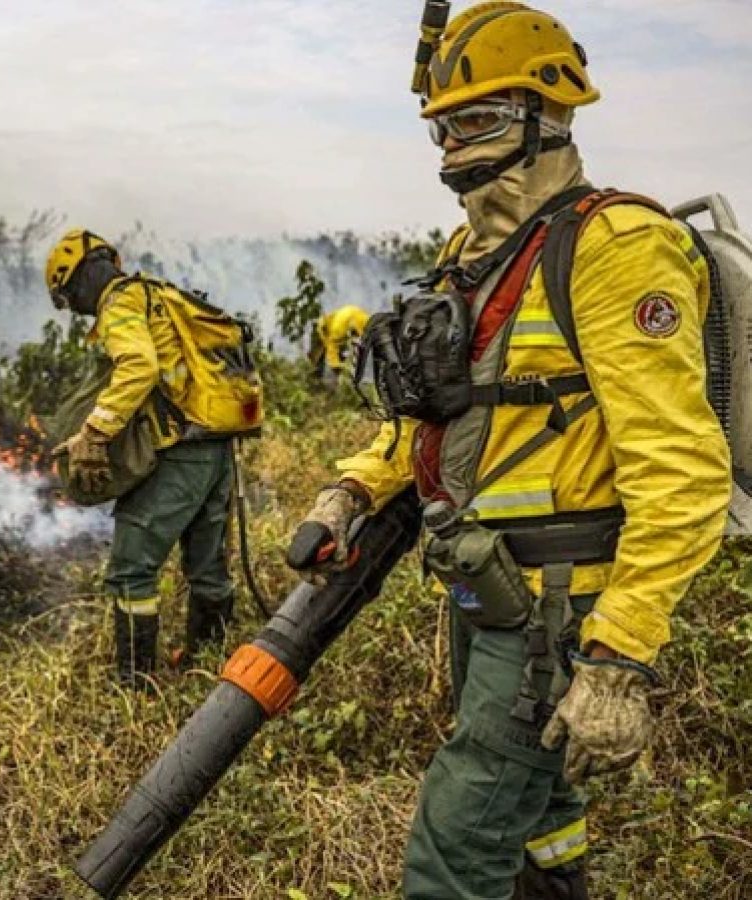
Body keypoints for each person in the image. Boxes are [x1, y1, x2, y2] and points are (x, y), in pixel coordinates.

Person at [288, 3, 731, 898]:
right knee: (542, 815)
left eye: (480, 120)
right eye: (445, 126)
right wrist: (352, 488)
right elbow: (437, 403)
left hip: (561, 611)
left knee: (455, 853)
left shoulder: (617, 247)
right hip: (483, 582)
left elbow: (684, 473)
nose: (455, 148)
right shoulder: (477, 252)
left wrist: (617, 659)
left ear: (548, 114)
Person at [44, 230, 262, 690]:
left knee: (131, 568)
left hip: (179, 451)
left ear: (78, 279)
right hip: (215, 446)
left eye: (69, 298)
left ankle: (134, 684)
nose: (78, 309)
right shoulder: (160, 295)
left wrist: (95, 430)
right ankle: (207, 667)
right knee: (208, 566)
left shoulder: (120, 302)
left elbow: (138, 366)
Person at [309, 305, 371, 387]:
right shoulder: (333, 332)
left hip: (349, 325)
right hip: (347, 323)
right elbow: (333, 354)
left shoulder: (336, 331)